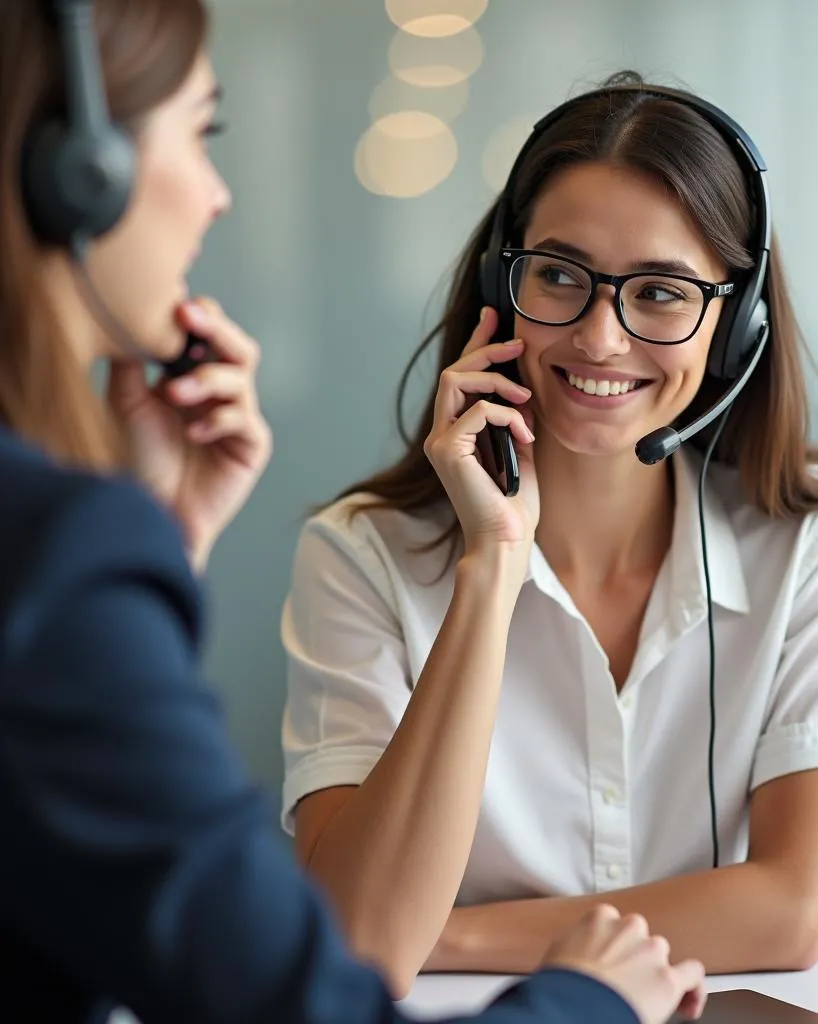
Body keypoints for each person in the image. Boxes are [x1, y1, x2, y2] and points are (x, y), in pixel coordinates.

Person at [0, 3, 707, 1023]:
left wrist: (163, 535)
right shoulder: (59, 554)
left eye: (660, 293)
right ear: (77, 170)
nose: (217, 195)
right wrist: (583, 999)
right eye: (201, 134)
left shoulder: (65, 547)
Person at [281, 72, 818, 989]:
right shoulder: (360, 556)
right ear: (503, 284)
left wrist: (446, 935)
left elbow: (793, 912)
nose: (601, 339)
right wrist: (492, 565)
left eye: (659, 293)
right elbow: (363, 942)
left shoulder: (807, 543)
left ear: (735, 326)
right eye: (561, 276)